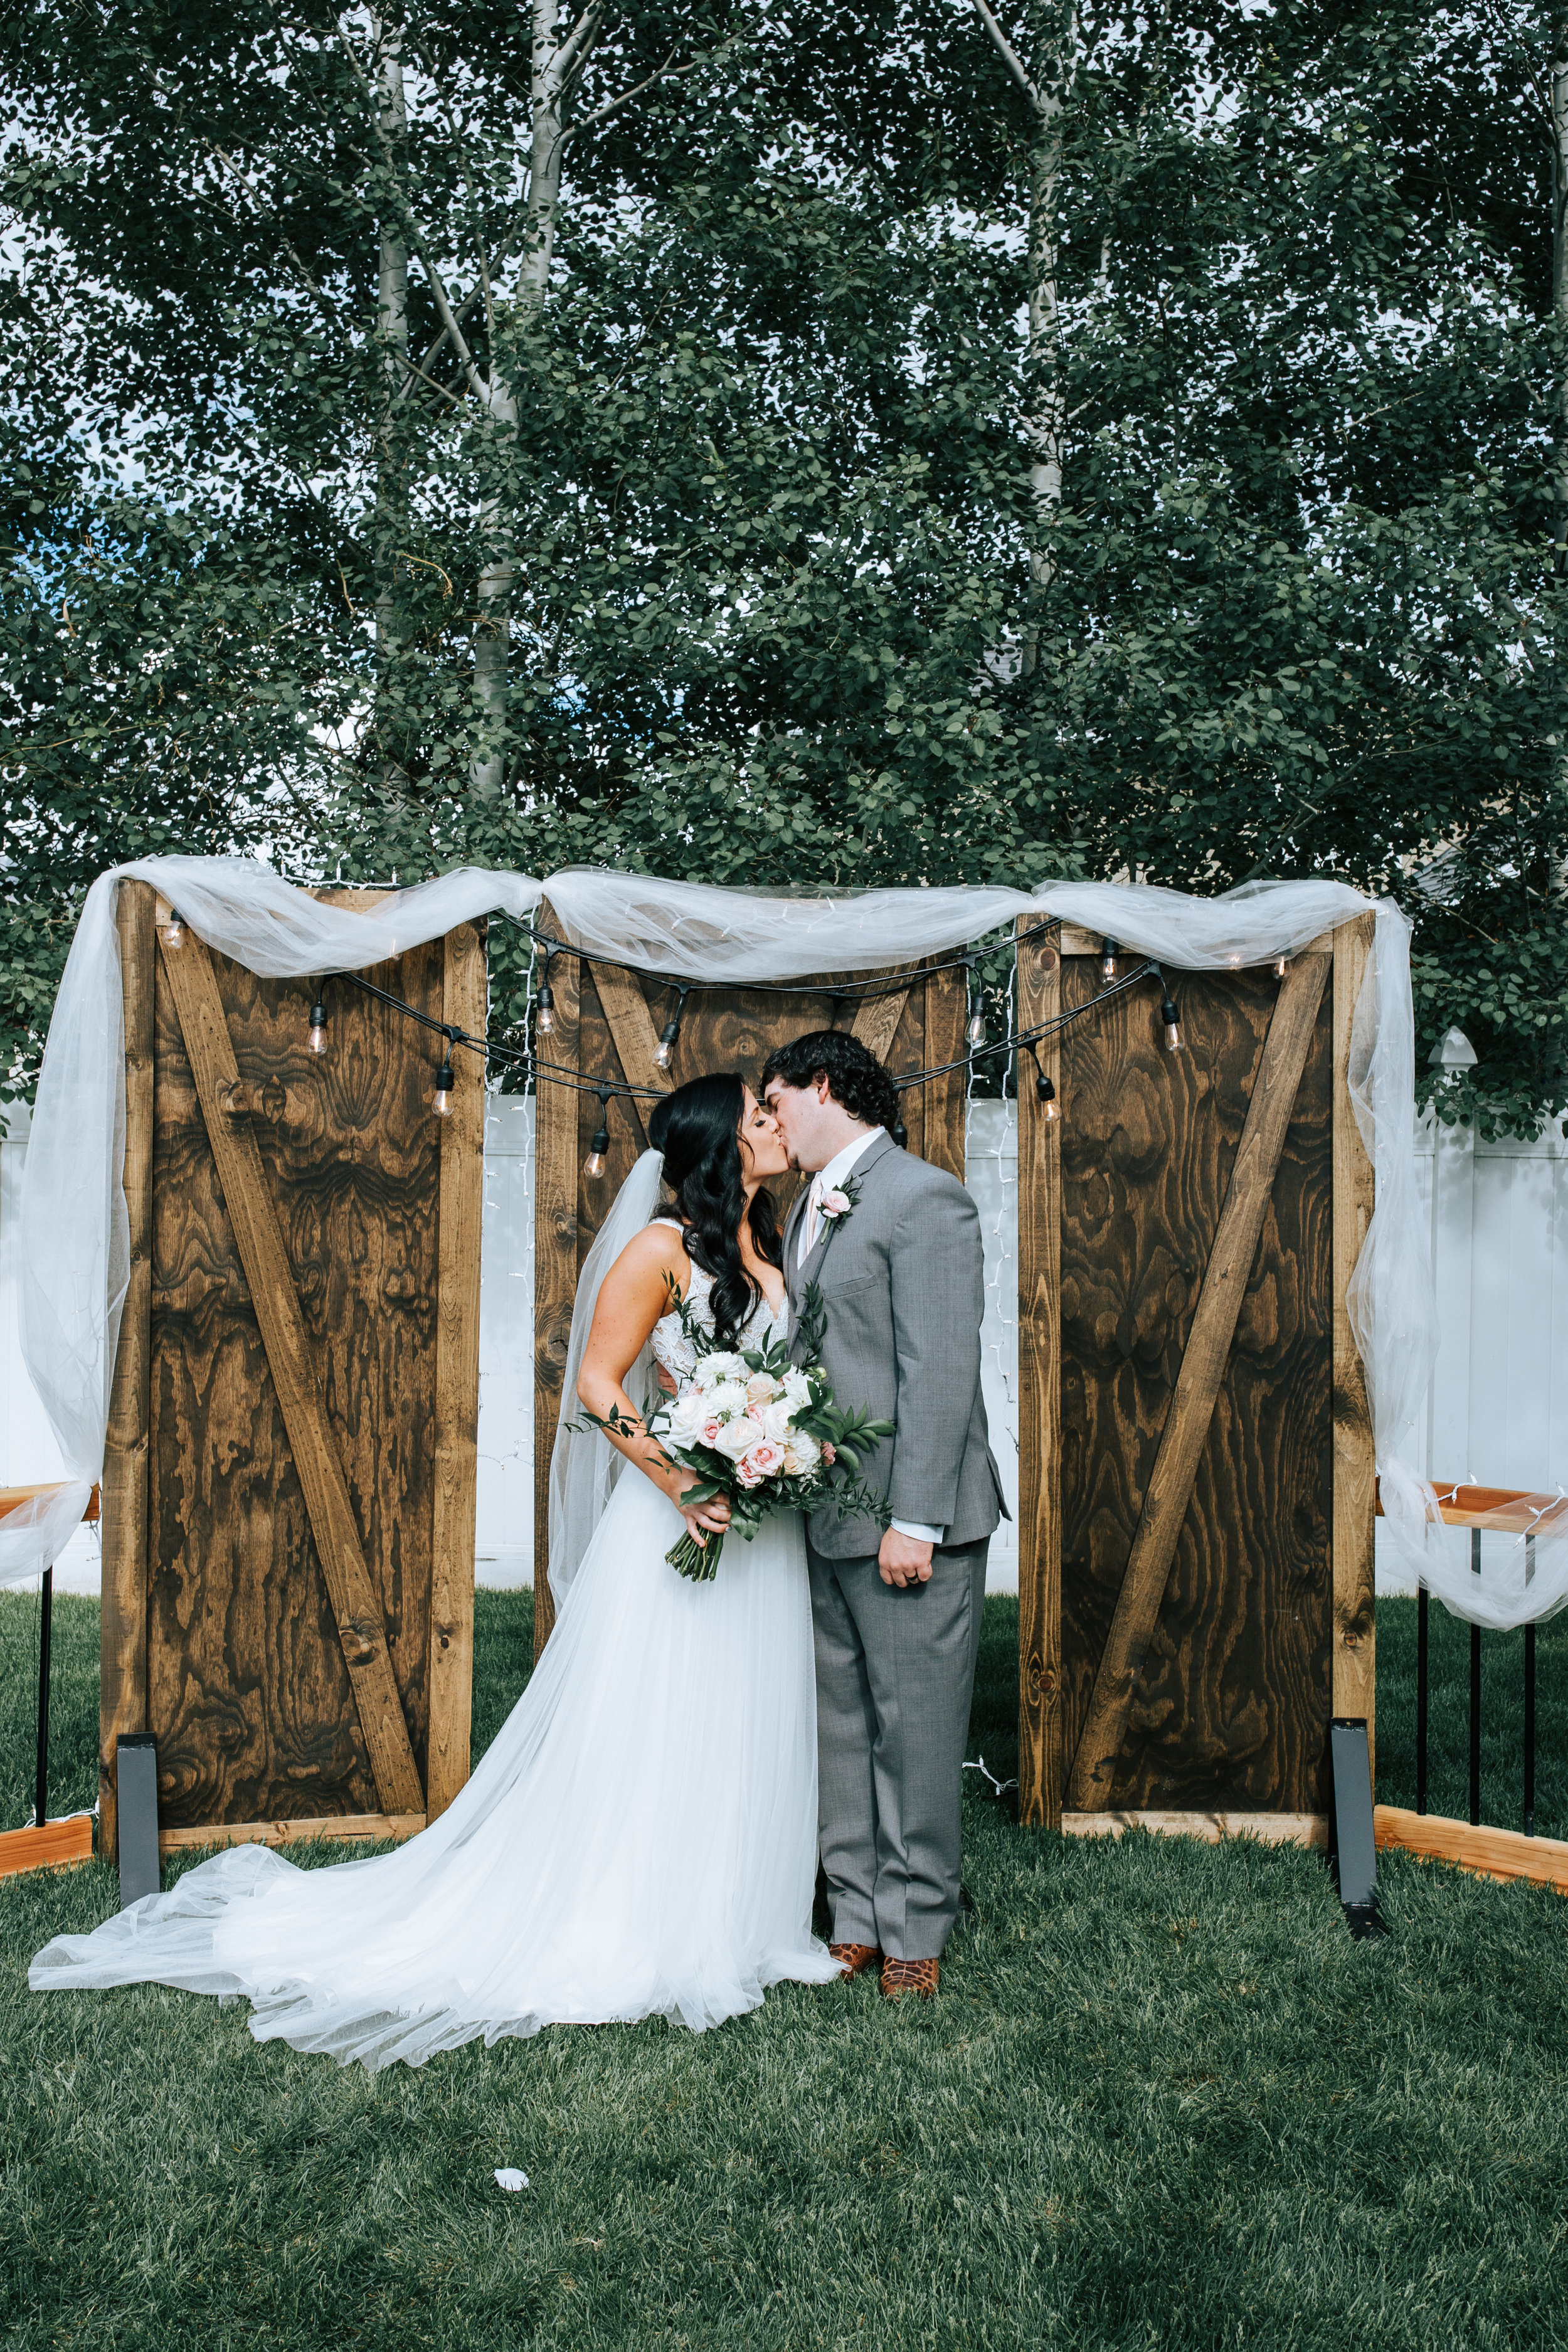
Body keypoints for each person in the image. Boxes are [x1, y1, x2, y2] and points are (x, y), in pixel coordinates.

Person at [30, 1074, 840, 2069]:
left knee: (740, 1715)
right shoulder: (659, 1248)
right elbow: (596, 1382)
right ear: (719, 1144)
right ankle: (640, 1913)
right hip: (677, 1517)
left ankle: (741, 1915)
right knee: (661, 1718)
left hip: (757, 1527)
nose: (774, 1126)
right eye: (758, 1117)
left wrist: (773, 1444)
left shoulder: (776, 1239)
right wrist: (680, 1476)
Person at [761, 1031, 1006, 2003]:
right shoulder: (805, 1212)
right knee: (844, 1725)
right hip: (827, 1514)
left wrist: (918, 1519)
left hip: (910, 1520)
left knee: (915, 1728)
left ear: (825, 1087)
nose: (773, 1123)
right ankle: (855, 1914)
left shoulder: (925, 1198)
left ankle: (916, 1925)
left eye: (778, 1102)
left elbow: (937, 1370)